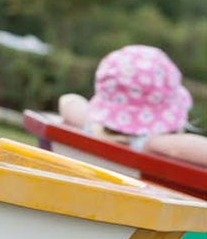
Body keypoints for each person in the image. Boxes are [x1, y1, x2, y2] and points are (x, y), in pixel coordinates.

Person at [58, 45, 207, 167]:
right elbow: (179, 149)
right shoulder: (152, 146)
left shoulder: (90, 129)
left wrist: (94, 122)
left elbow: (69, 101)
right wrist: (150, 142)